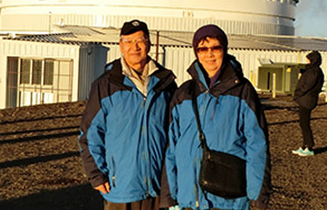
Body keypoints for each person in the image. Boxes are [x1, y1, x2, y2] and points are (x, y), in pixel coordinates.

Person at [162, 24, 271, 210]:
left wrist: (257, 198)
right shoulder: (184, 93)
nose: (209, 54)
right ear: (196, 52)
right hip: (188, 199)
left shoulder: (242, 92)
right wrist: (169, 196)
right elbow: (172, 147)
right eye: (202, 49)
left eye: (215, 47)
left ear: (225, 50)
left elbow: (257, 147)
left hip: (228, 199)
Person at [79, 19, 178, 210]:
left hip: (158, 189)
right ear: (120, 46)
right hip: (120, 189)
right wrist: (97, 175)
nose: (135, 47)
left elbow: (175, 135)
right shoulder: (106, 85)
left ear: (149, 44)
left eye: (140, 40)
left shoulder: (165, 84)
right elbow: (90, 134)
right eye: (129, 41)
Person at [292, 50, 325, 157]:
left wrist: (298, 92)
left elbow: (308, 85)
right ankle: (304, 146)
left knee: (304, 124)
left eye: (309, 59)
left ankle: (309, 147)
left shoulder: (314, 72)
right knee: (303, 123)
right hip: (306, 99)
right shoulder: (313, 71)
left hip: (307, 99)